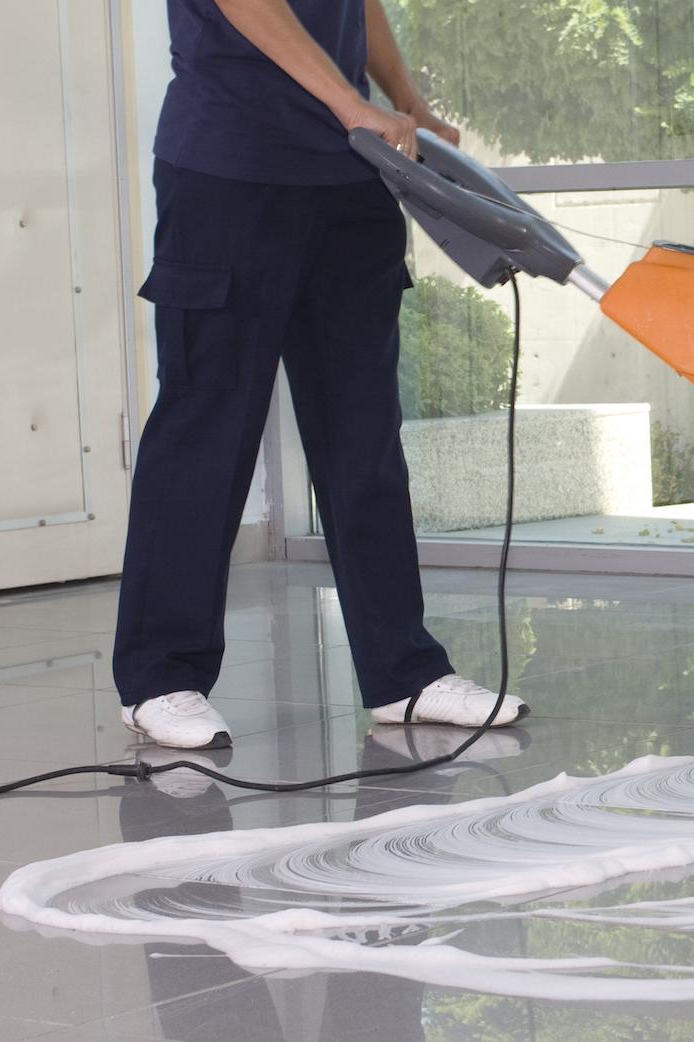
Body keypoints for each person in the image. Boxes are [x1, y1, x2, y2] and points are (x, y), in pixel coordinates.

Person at [115, 0, 526, 750]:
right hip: (229, 168)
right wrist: (349, 102)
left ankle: (404, 674)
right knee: (208, 427)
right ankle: (158, 678)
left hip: (351, 178)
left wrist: (407, 103)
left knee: (362, 434)